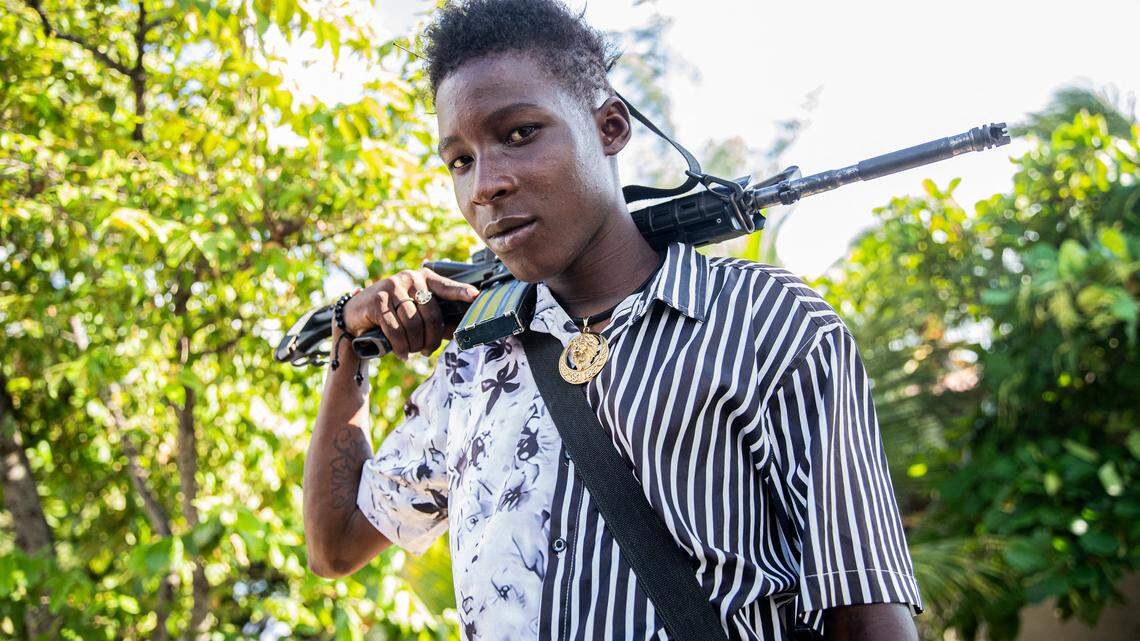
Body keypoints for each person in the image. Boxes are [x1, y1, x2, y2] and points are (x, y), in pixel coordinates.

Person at [302, 1, 924, 639]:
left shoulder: (767, 322)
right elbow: (338, 545)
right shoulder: (477, 360)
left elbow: (867, 609)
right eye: (460, 160)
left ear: (610, 127)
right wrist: (353, 348)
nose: (484, 185)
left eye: (519, 133)